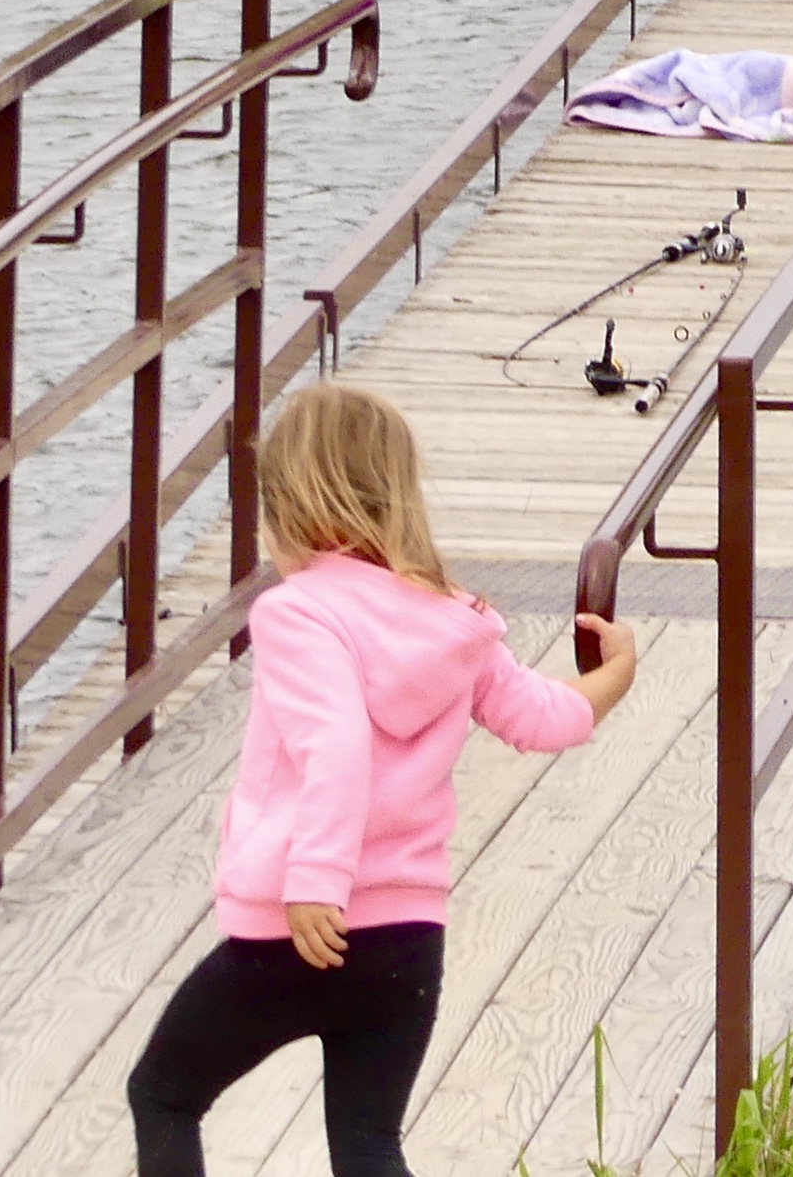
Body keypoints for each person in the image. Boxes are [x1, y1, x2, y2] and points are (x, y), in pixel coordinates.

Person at [127, 384, 640, 1177]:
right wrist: (616, 675)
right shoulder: (454, 618)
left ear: (298, 509)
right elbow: (543, 718)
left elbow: (335, 746)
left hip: (296, 933)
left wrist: (317, 883)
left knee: (163, 1094)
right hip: (406, 940)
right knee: (367, 1145)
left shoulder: (299, 614)